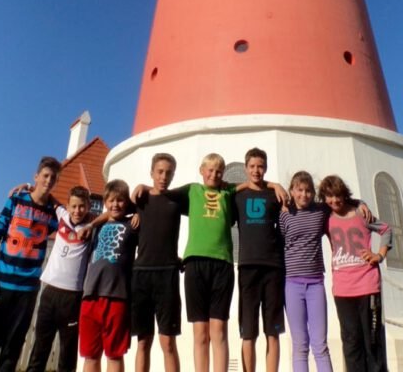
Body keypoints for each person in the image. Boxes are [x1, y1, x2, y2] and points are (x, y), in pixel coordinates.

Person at [133, 152, 286, 372]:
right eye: (210, 170)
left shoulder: (228, 191)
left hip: (222, 264)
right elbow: (163, 192)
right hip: (195, 263)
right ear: (202, 171)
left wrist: (275, 184)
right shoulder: (192, 190)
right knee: (200, 333)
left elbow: (251, 183)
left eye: (219, 171)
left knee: (219, 330)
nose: (214, 175)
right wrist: (143, 187)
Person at [0, 155, 62, 372]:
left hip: (27, 290)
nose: (48, 180)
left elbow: (70, 217)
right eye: (45, 176)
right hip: (0, 284)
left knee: (12, 349)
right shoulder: (16, 200)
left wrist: (47, 196)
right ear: (36, 176)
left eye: (53, 178)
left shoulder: (53, 214)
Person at [320, 175, 392, 372]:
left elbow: (386, 230)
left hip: (368, 285)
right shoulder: (326, 218)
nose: (334, 200)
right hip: (343, 289)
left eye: (338, 195)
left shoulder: (361, 214)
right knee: (351, 341)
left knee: (373, 341)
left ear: (344, 195)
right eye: (329, 196)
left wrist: (379, 255)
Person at [26, 186, 94, 372]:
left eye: (82, 206)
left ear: (89, 207)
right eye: (74, 206)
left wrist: (90, 225)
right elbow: (50, 198)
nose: (77, 211)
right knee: (41, 346)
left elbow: (109, 215)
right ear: (68, 206)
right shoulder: (62, 215)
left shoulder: (93, 225)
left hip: (73, 296)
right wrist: (29, 187)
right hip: (50, 291)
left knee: (67, 351)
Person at [234, 148, 285, 372]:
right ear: (246, 168)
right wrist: (272, 183)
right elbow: (222, 190)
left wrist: (274, 185)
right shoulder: (237, 196)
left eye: (261, 166)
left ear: (266, 168)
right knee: (248, 332)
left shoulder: (275, 195)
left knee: (273, 331)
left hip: (273, 267)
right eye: (252, 166)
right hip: (247, 267)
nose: (256, 170)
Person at [279, 170, 334, 372]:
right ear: (292, 191)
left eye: (308, 190)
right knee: (300, 345)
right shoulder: (285, 214)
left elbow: (341, 201)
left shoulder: (321, 211)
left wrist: (360, 203)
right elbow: (280, 243)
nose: (304, 194)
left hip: (315, 284)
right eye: (300, 190)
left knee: (320, 344)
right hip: (292, 284)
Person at [79, 179, 137, 372]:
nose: (115, 205)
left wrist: (137, 212)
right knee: (90, 355)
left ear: (127, 202)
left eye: (120, 200)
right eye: (111, 200)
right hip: (91, 296)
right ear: (105, 202)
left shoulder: (132, 224)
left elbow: (145, 208)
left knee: (114, 354)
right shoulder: (96, 226)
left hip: (117, 296)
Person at [132, 153, 182, 372]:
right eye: (160, 172)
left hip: (167, 274)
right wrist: (91, 225)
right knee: (143, 342)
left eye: (168, 173)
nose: (164, 177)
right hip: (141, 274)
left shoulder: (178, 199)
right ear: (151, 172)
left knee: (168, 342)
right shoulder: (139, 199)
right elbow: (113, 208)